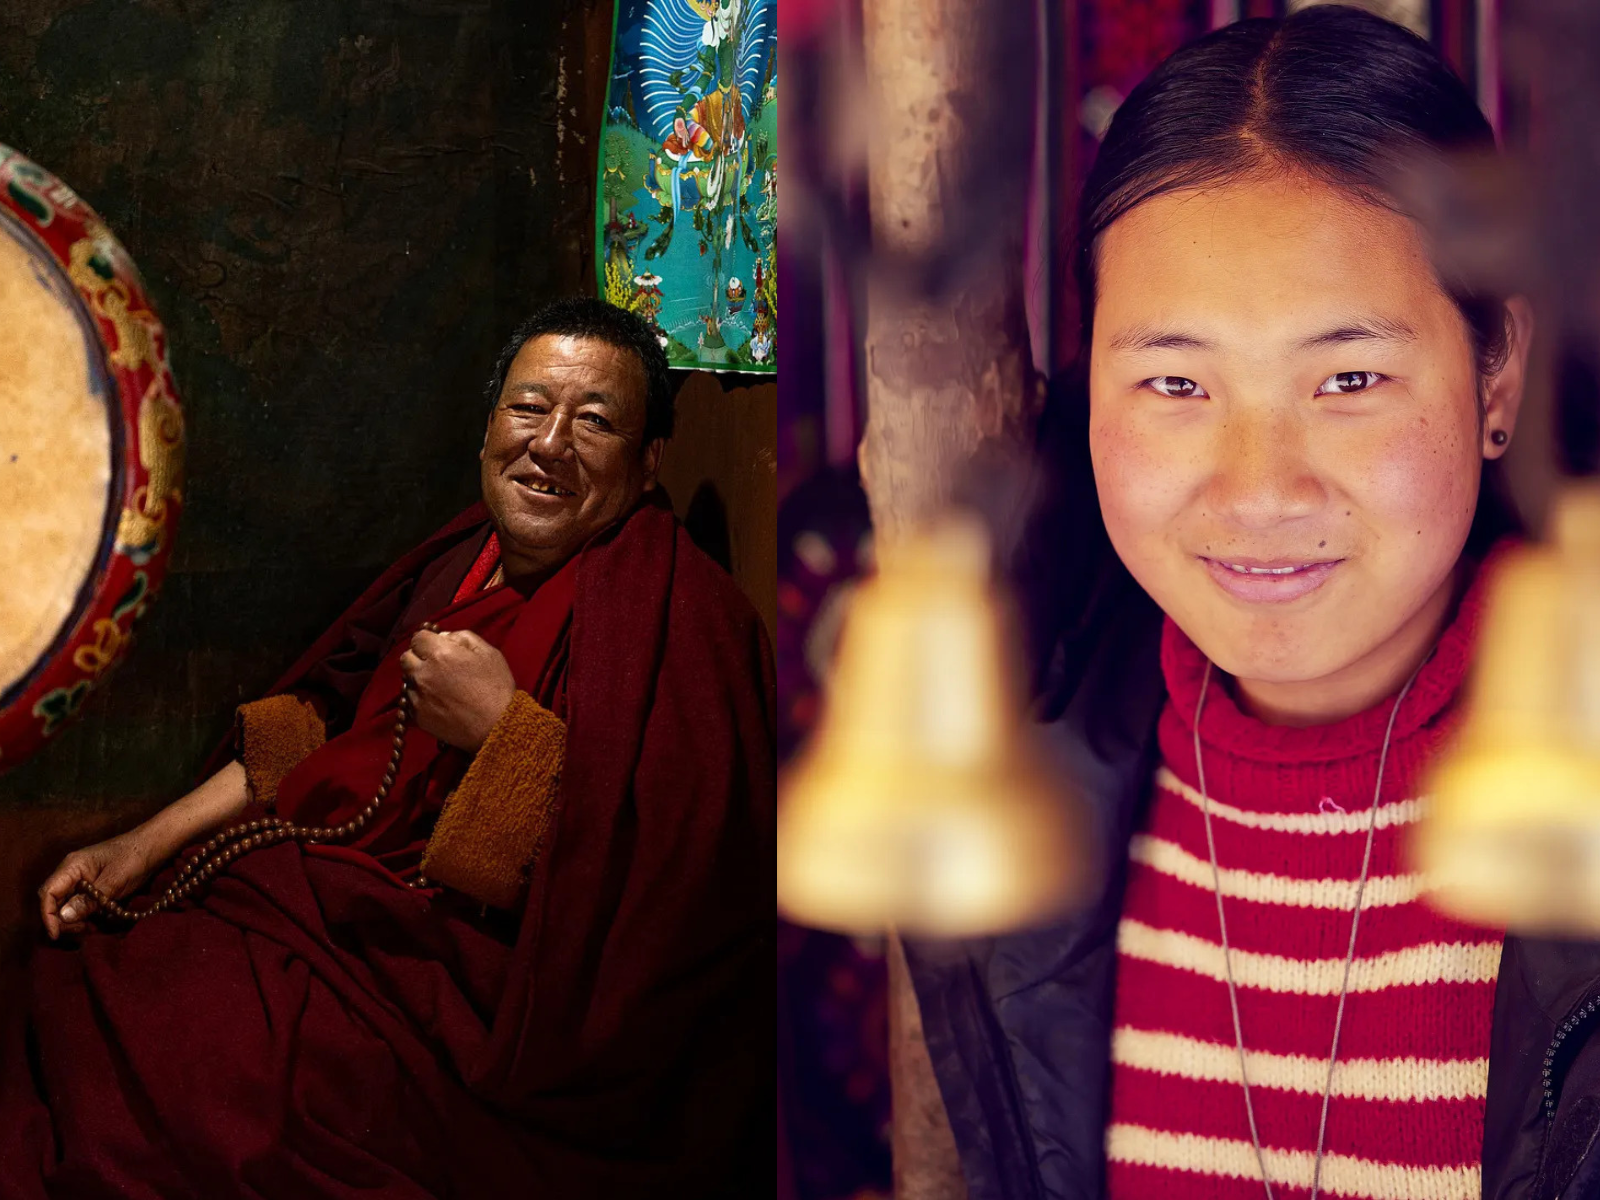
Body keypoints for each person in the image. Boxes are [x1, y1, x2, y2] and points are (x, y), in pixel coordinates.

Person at [898, 8, 1600, 1200]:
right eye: (1175, 382)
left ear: (1497, 375)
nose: (1259, 488)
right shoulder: (1005, 813)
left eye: (1349, 379)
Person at [0, 297, 775, 1198]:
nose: (551, 443)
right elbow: (321, 728)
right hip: (324, 923)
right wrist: (135, 848)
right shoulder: (463, 559)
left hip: (478, 1023)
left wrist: (504, 735)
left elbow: (681, 903)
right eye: (529, 408)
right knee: (69, 1007)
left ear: (648, 467)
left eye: (595, 421)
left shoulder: (687, 619)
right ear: (488, 428)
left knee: (183, 1094)